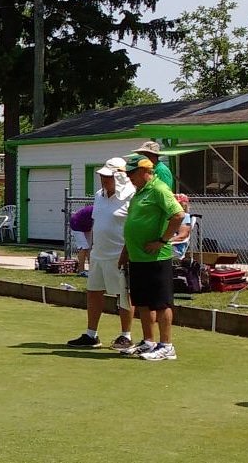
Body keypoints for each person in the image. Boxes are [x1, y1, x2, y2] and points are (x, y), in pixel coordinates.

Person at [118, 154, 185, 361]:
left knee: (161, 302)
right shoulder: (138, 193)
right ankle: (149, 342)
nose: (129, 177)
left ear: (144, 171)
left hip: (156, 258)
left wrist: (162, 241)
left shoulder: (159, 189)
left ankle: (167, 346)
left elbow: (178, 215)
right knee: (143, 302)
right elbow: (132, 225)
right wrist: (125, 252)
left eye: (131, 173)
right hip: (137, 257)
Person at [68, 157, 136, 350]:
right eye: (102, 176)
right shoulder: (99, 195)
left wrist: (127, 253)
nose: (103, 180)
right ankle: (92, 335)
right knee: (93, 292)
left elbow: (133, 226)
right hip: (99, 253)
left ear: (120, 176)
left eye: (108, 176)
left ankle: (126, 336)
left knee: (124, 295)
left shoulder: (132, 195)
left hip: (120, 254)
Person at [69, 205, 93, 275]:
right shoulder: (98, 210)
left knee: (89, 247)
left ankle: (92, 270)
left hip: (86, 226)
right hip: (76, 223)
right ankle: (81, 271)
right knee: (83, 247)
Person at [170, 194, 192, 259]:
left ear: (184, 206)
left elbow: (182, 236)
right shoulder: (169, 216)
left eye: (178, 204)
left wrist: (164, 241)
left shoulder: (185, 217)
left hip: (175, 248)